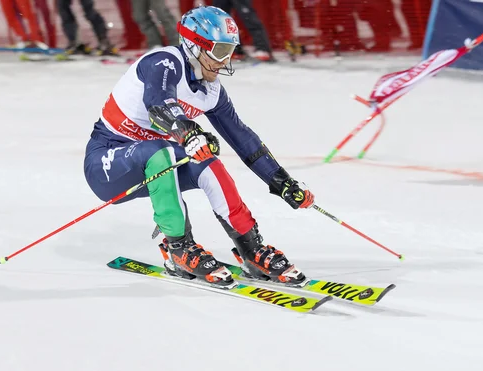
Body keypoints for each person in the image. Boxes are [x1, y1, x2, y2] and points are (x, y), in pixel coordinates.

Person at [83, 6, 315, 288]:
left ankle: (251, 249)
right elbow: (159, 105)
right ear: (194, 46)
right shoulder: (164, 63)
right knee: (162, 150)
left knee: (209, 162)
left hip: (156, 168)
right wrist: (189, 133)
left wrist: (281, 180)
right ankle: (179, 248)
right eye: (219, 52)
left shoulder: (211, 90)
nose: (224, 61)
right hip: (106, 164)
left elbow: (242, 138)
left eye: (230, 52)